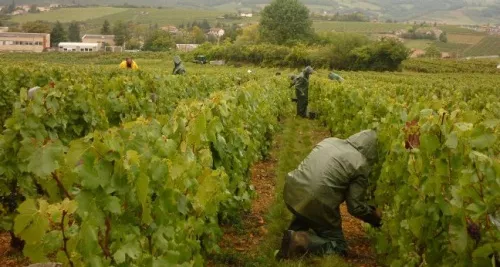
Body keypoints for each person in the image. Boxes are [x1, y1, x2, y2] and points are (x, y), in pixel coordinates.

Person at [277, 130, 382, 259]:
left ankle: (295, 231)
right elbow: (355, 207)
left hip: (292, 190)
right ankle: (298, 241)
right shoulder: (361, 164)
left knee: (313, 198)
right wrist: (376, 218)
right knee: (338, 246)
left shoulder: (331, 141)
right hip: (315, 201)